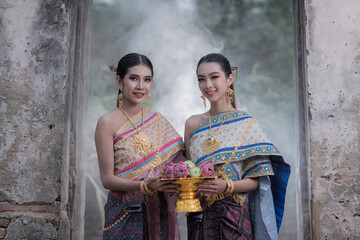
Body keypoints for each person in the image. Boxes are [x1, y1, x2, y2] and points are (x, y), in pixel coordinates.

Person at [184, 53, 290, 240]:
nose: (208, 85)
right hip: (199, 217)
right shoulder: (193, 124)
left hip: (234, 219)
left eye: (214, 77)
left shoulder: (247, 125)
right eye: (202, 79)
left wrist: (226, 185)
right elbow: (189, 172)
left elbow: (258, 180)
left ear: (229, 79)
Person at [95, 53, 184, 240]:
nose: (141, 86)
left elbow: (182, 165)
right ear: (119, 81)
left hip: (159, 213)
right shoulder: (106, 123)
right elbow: (107, 179)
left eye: (147, 80)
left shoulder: (159, 121)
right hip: (124, 214)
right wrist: (144, 185)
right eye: (133, 78)